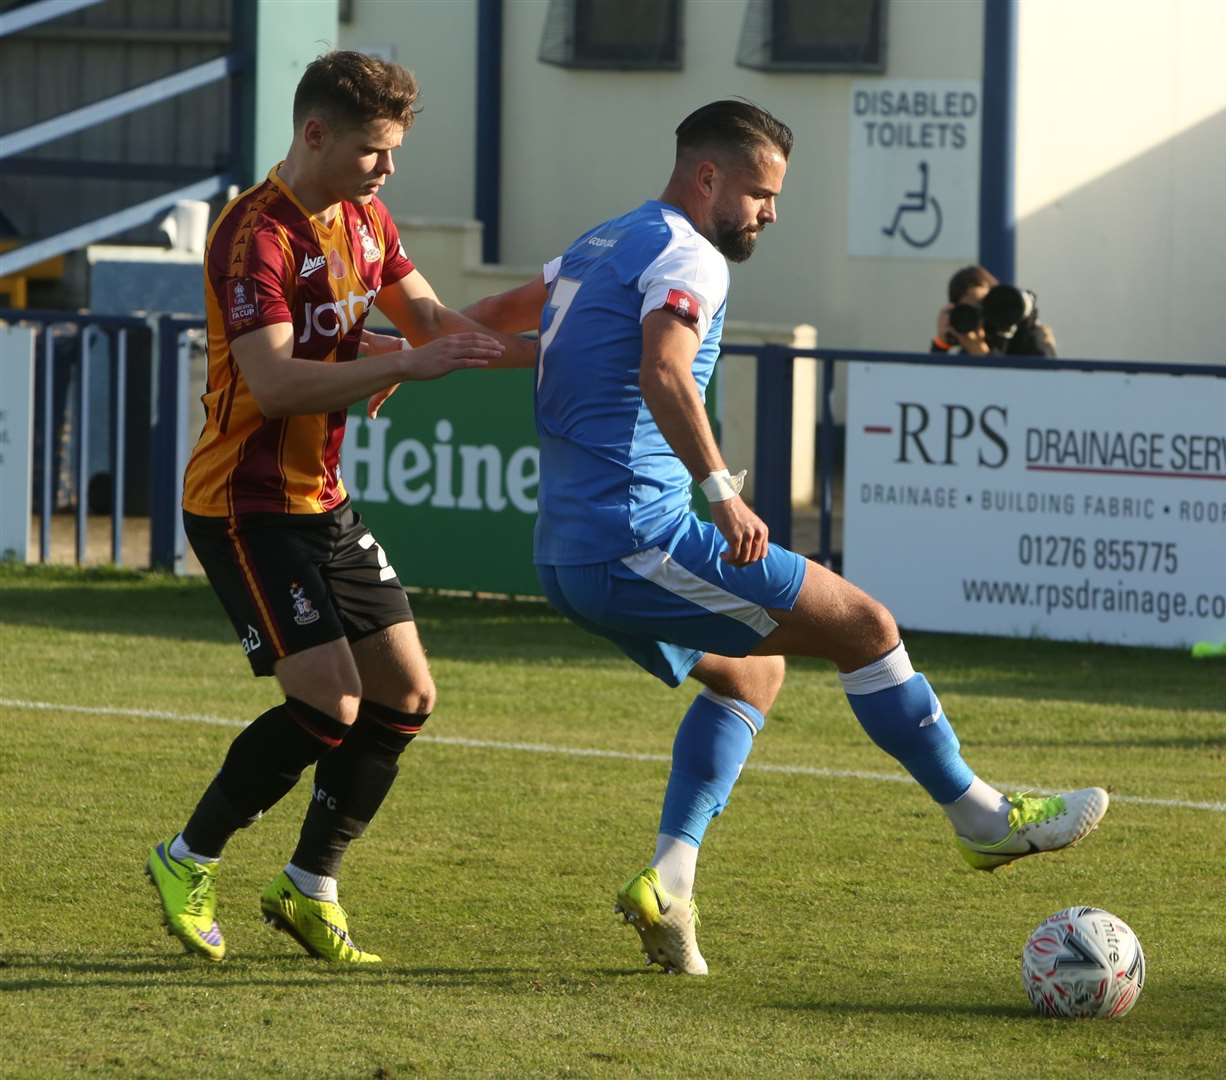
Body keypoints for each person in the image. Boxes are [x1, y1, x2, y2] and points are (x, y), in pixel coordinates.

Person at [466, 100, 1107, 976]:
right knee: (867, 627)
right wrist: (724, 494)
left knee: (753, 672)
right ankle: (982, 819)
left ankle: (671, 882)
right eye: (762, 193)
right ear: (708, 178)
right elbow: (661, 369)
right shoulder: (690, 253)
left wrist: (400, 349)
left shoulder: (601, 243)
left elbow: (508, 328)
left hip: (570, 551)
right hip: (636, 541)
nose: (771, 212)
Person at [146, 51, 518, 964]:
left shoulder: (364, 217)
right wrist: (394, 363)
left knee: (406, 694)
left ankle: (309, 885)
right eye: (372, 152)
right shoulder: (251, 235)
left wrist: (576, 355)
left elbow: (434, 324)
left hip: (322, 502)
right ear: (315, 134)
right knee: (330, 704)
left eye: (391, 152)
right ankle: (185, 858)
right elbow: (272, 383)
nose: (387, 170)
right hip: (245, 503)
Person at [931, 263, 1058, 357]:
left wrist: (984, 355)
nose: (982, 315)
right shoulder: (968, 343)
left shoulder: (1028, 333)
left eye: (984, 303)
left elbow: (1037, 380)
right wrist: (942, 344)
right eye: (970, 309)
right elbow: (933, 384)